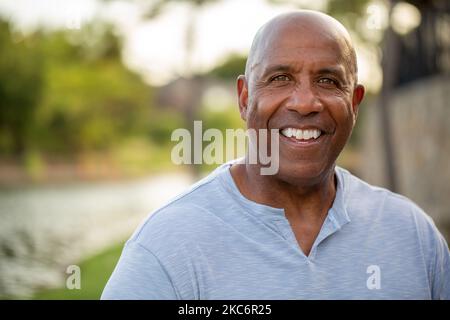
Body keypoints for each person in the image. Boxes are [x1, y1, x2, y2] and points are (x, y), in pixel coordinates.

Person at [101, 10, 450, 299]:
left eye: (328, 81)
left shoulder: (414, 236)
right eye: (280, 78)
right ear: (244, 98)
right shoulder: (166, 248)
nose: (305, 102)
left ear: (354, 103)